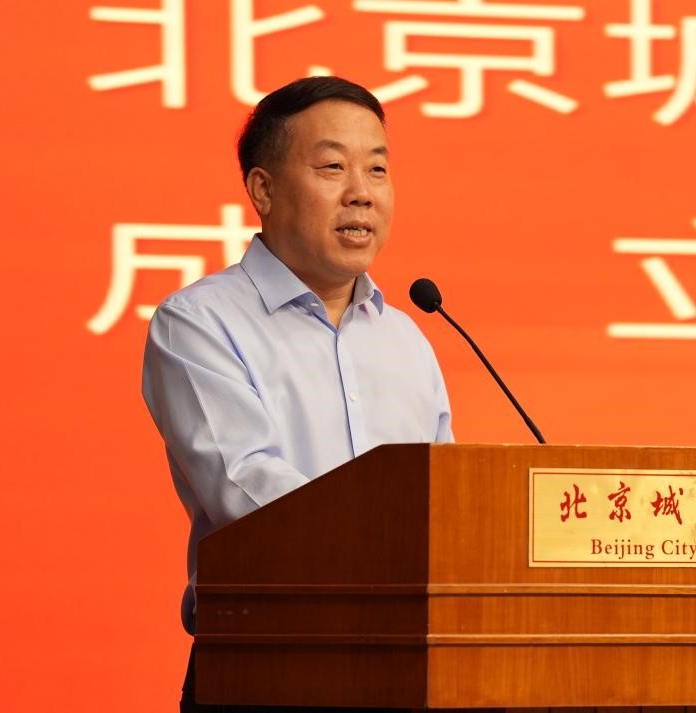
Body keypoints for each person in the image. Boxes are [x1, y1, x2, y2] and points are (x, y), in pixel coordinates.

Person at [141, 76, 452, 711]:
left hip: (407, 665)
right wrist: (395, 548)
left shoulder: (406, 337)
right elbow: (246, 485)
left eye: (377, 169)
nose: (361, 192)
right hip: (269, 663)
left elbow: (447, 492)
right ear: (264, 189)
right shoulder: (200, 322)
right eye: (333, 167)